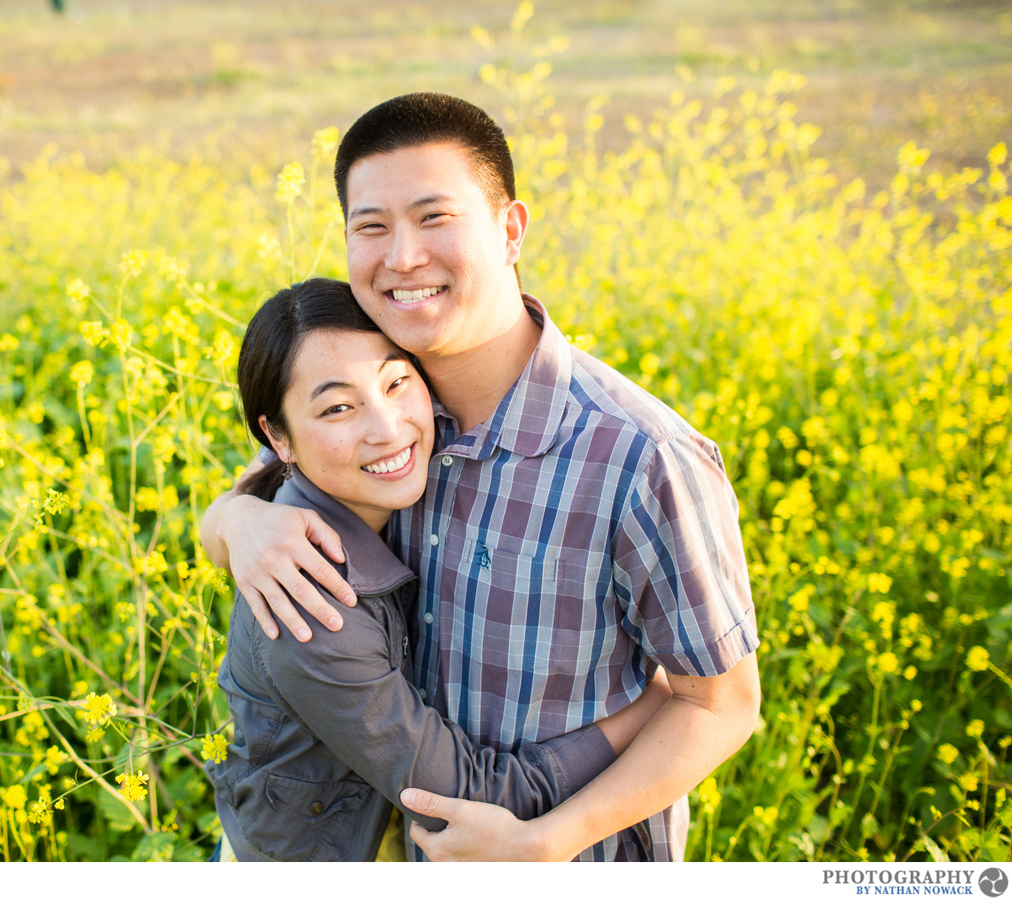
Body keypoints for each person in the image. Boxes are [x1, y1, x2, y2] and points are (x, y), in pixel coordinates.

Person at [202, 93, 761, 861]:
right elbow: (262, 487)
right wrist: (237, 523)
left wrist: (550, 841)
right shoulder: (385, 393)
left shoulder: (639, 456)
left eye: (435, 218)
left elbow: (724, 704)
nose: (401, 257)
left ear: (510, 229)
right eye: (372, 227)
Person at [207, 277, 670, 862]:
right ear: (278, 439)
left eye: (397, 381)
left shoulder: (367, 472)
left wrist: (231, 516)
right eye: (339, 407)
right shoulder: (314, 603)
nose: (388, 428)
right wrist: (652, 703)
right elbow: (465, 798)